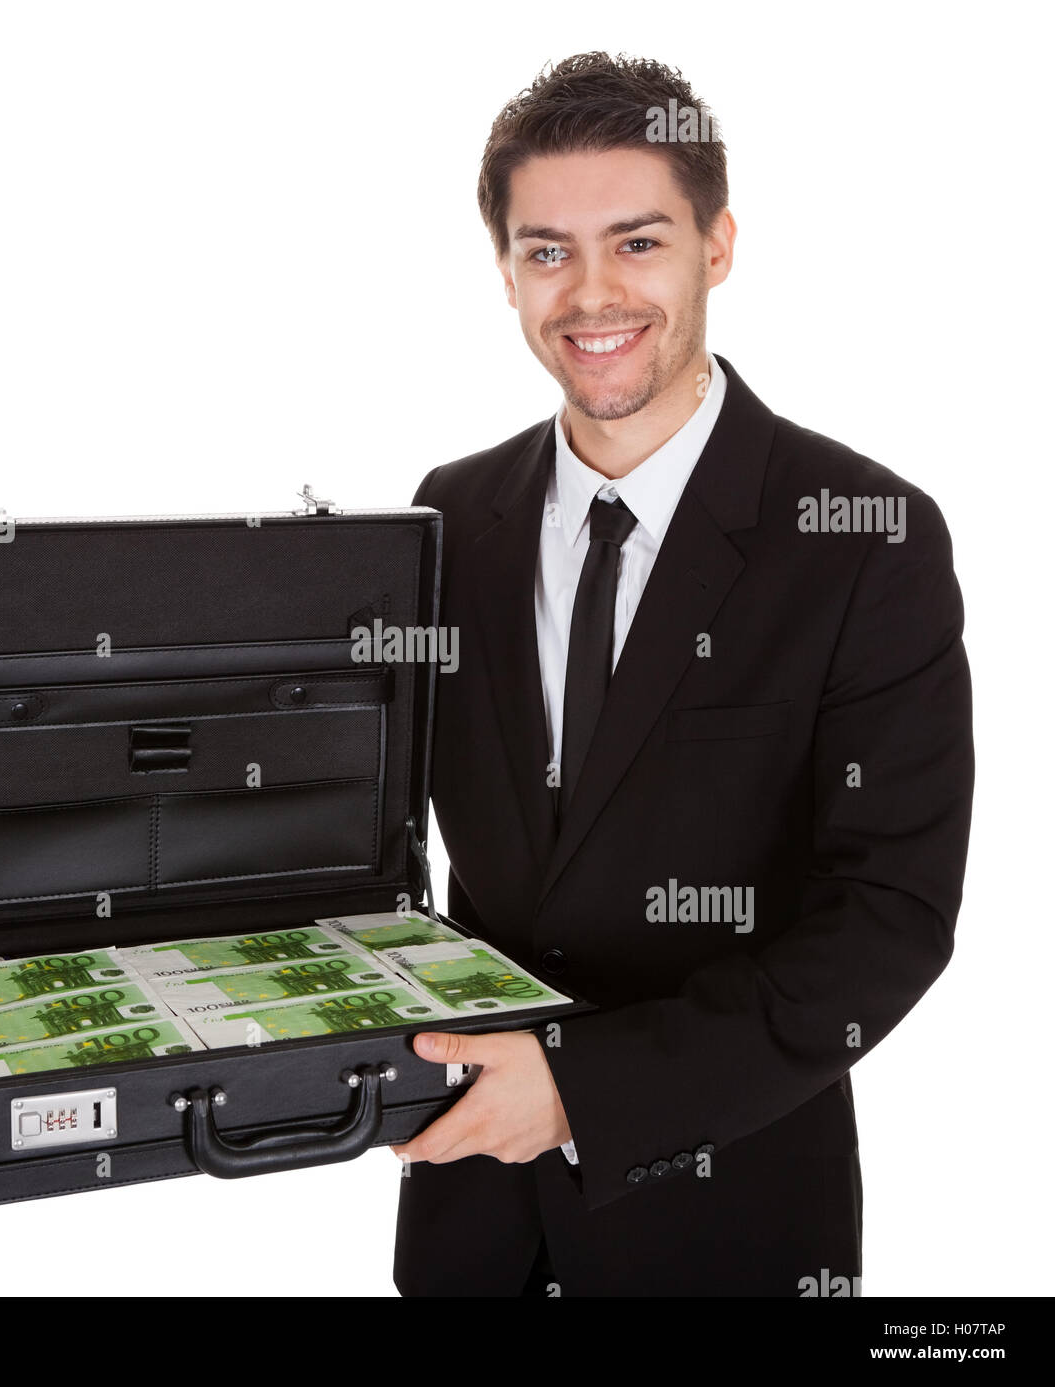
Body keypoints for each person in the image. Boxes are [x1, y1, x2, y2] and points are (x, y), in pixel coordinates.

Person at [390, 51, 974, 1297]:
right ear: (505, 271)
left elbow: (889, 923)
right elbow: (391, 839)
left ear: (716, 245)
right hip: (470, 1216)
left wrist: (581, 1090)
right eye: (547, 250)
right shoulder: (449, 517)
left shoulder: (864, 535)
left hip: (731, 1228)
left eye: (637, 241)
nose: (590, 293)